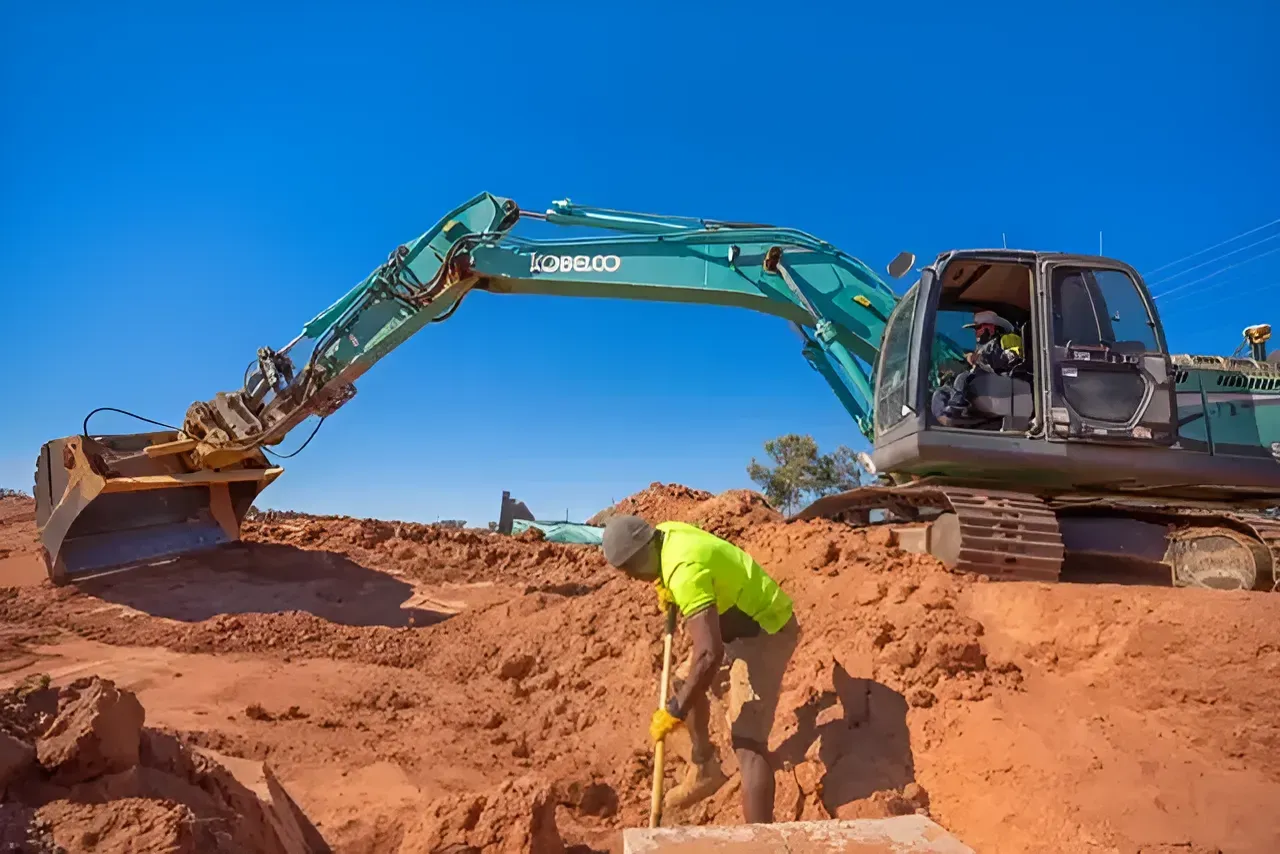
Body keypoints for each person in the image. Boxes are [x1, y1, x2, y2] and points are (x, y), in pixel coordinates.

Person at [601, 514, 799, 824]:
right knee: (683, 681)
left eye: (630, 569)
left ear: (643, 553)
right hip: (732, 625)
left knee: (748, 743)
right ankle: (705, 767)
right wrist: (664, 584)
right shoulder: (664, 534)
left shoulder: (684, 571)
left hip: (766, 629)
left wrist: (676, 712)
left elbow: (708, 655)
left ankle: (762, 840)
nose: (631, 578)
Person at [930, 310, 1025, 427]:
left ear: (991, 328)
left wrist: (981, 359)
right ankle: (947, 416)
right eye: (975, 330)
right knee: (942, 391)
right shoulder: (980, 347)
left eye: (979, 328)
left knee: (962, 378)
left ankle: (956, 409)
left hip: (998, 379)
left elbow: (1013, 355)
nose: (976, 333)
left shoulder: (1007, 338)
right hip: (982, 379)